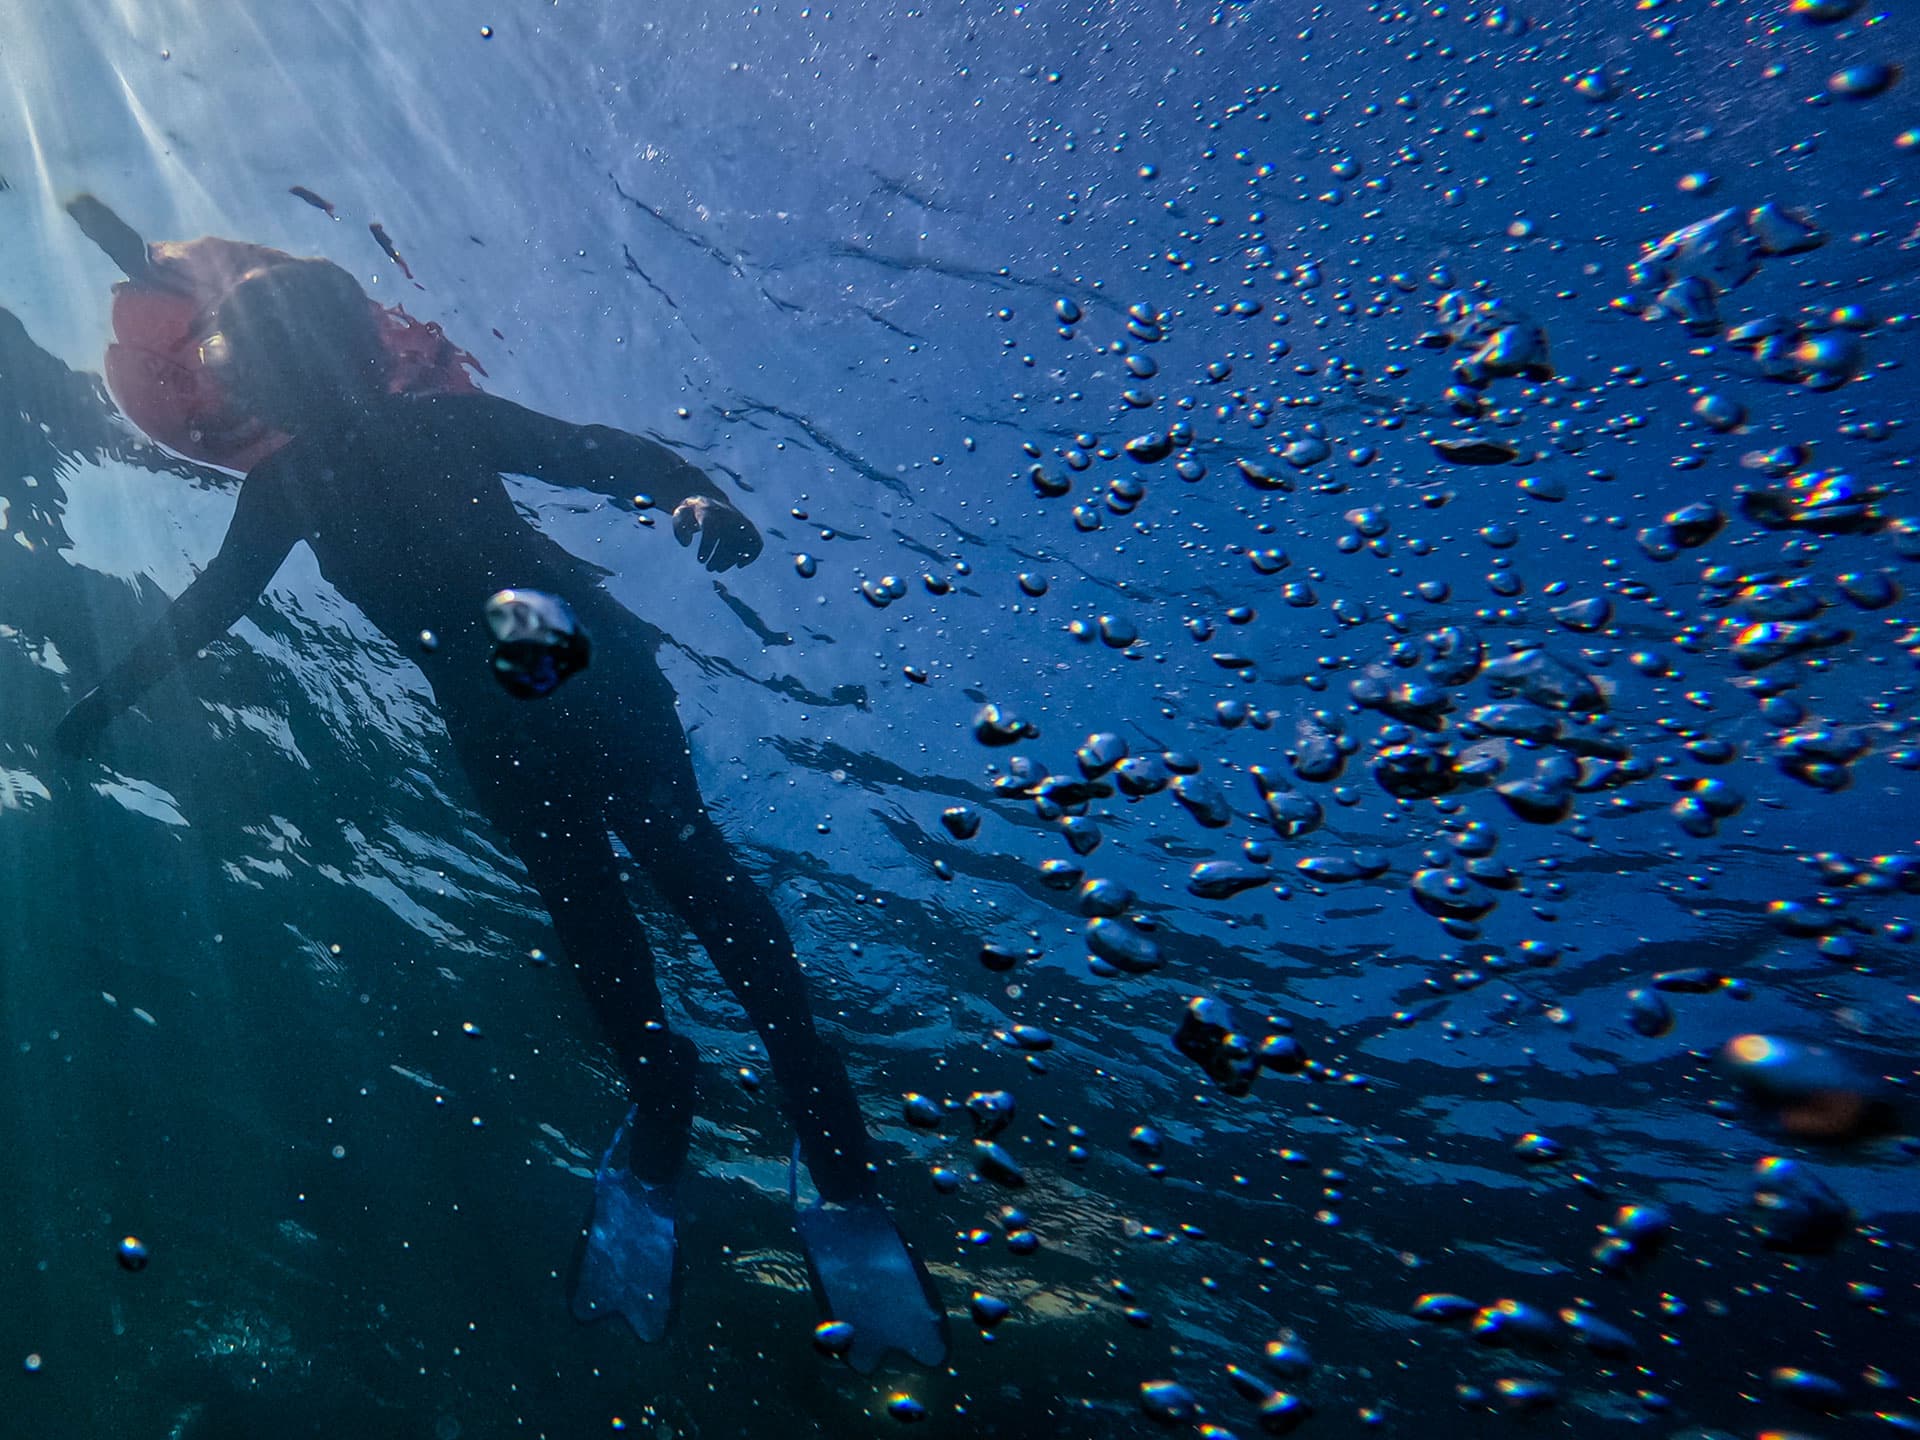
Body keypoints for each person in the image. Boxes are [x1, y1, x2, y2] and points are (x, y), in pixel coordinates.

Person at [54, 204, 946, 1374]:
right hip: (526, 697)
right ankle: (687, 1097)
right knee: (621, 903)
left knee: (670, 887)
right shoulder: (295, 487)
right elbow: (211, 606)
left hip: (561, 672)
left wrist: (696, 495)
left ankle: (788, 1117)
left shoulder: (389, 447)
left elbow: (603, 454)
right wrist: (108, 697)